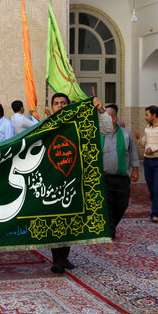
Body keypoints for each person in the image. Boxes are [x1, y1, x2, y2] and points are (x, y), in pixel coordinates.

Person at [47, 93, 112, 274]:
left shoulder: (81, 122)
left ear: (69, 105)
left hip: (75, 179)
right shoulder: (47, 125)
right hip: (52, 183)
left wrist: (100, 110)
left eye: (63, 103)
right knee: (55, 221)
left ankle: (64, 258)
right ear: (51, 107)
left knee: (72, 220)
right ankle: (57, 260)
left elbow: (106, 129)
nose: (59, 106)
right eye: (56, 103)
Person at [103, 106, 139, 239]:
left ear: (113, 119)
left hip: (122, 178)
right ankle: (110, 232)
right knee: (107, 206)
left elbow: (132, 153)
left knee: (122, 205)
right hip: (104, 178)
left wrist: (135, 170)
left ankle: (111, 226)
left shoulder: (125, 134)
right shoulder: (98, 135)